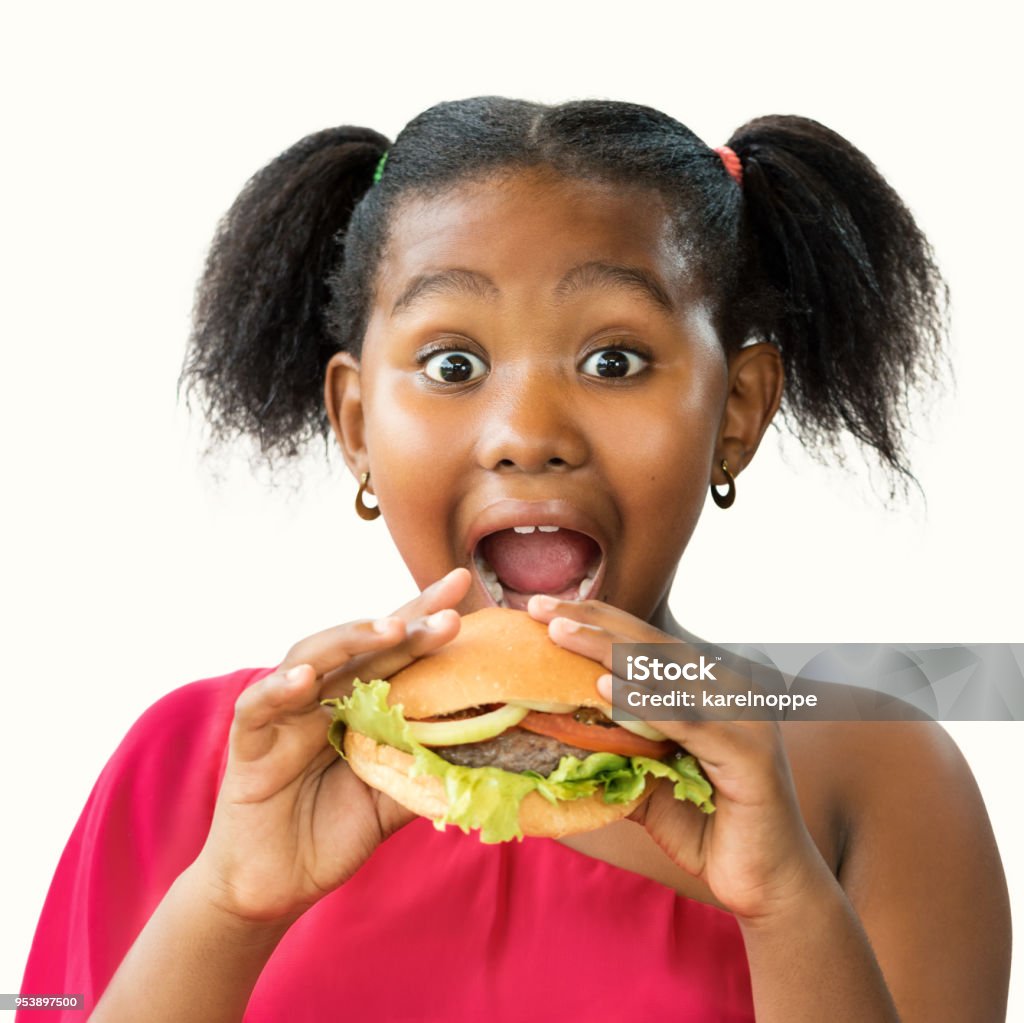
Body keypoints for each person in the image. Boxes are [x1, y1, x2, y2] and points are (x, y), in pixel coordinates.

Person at [20, 97, 1011, 1022]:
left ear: (736, 412)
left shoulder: (870, 761)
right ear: (357, 423)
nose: (525, 433)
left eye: (612, 360)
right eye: (452, 364)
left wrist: (784, 903)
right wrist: (226, 905)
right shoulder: (197, 755)